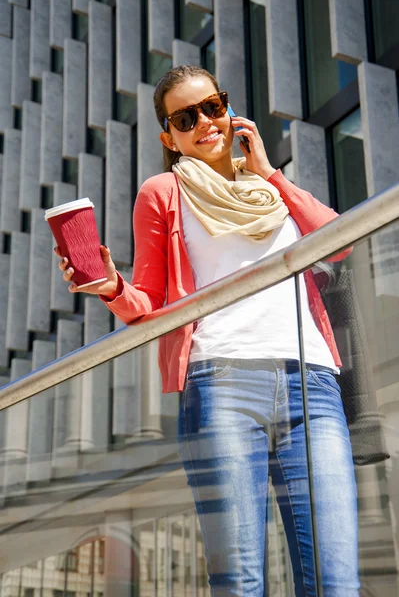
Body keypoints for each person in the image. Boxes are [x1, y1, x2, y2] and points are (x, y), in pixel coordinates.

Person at [56, 66, 359, 596]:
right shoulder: (163, 192)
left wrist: (270, 173)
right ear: (168, 136)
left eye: (212, 107)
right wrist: (109, 285)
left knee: (337, 581)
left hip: (313, 384)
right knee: (240, 582)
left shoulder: (269, 189)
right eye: (185, 117)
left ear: (228, 108)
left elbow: (342, 242)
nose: (205, 122)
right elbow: (149, 303)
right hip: (222, 382)